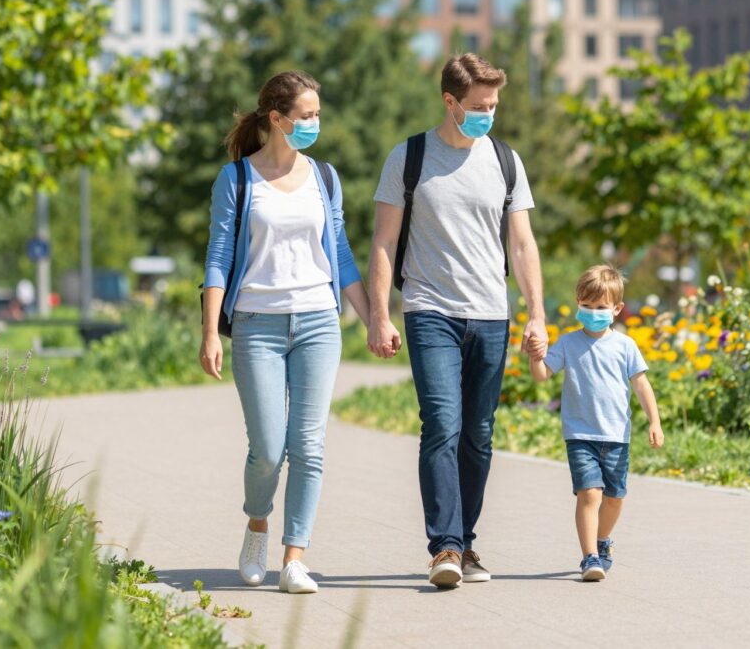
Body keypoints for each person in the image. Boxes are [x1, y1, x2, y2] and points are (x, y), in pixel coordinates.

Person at [368, 53, 547, 588]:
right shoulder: (411, 156)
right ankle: (444, 547)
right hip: (430, 311)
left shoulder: (506, 161)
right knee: (442, 424)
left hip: (492, 314)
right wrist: (380, 315)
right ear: (450, 102)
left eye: (493, 105)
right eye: (477, 105)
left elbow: (522, 243)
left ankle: (466, 544)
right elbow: (384, 240)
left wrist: (537, 312)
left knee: (479, 435)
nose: (488, 113)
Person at [200, 71, 369, 594]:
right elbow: (219, 259)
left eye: (318, 114)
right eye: (307, 115)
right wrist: (210, 332)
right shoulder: (238, 179)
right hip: (257, 324)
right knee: (269, 449)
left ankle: (295, 558)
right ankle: (257, 524)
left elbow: (339, 253)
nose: (316, 123)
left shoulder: (325, 177)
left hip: (319, 319)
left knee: (309, 446)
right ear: (277, 119)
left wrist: (375, 317)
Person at [529, 265, 663, 582]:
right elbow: (542, 375)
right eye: (586, 306)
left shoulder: (625, 346)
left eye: (600, 307)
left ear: (616, 309)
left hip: (617, 436)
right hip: (580, 434)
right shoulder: (569, 343)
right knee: (590, 495)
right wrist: (536, 354)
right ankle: (590, 557)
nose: (593, 313)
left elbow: (642, 386)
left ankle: (603, 542)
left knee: (614, 498)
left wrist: (654, 422)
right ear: (578, 303)